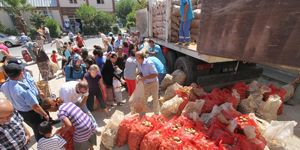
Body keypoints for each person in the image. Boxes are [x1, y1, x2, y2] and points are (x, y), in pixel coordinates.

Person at [1, 58, 50, 141]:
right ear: (20, 73)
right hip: (32, 112)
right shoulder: (23, 89)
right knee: (39, 128)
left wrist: (39, 91)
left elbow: (33, 83)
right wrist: (45, 114)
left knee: (36, 126)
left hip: (22, 111)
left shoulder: (4, 86)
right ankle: (42, 142)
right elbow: (35, 106)